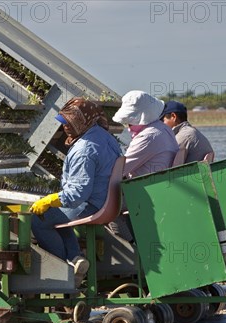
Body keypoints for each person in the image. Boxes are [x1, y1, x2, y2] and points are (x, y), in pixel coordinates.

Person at [29, 97, 123, 286]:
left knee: (37, 219)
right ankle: (75, 258)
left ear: (84, 121)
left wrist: (50, 200)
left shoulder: (84, 150)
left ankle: (64, 270)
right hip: (108, 201)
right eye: (64, 122)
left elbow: (77, 195)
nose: (65, 127)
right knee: (58, 218)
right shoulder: (104, 136)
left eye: (71, 122)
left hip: (91, 204)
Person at [112, 91, 179, 178]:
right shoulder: (163, 128)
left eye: (130, 121)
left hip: (145, 187)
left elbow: (119, 170)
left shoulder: (148, 136)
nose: (128, 126)